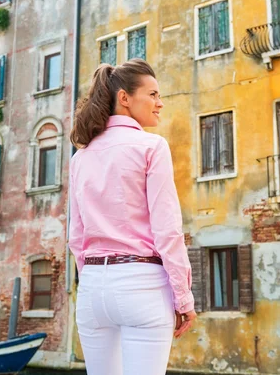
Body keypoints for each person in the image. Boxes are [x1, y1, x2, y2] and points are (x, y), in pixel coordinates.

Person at [68, 59, 196, 375]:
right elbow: (167, 231)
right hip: (142, 286)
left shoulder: (80, 158)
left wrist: (95, 284)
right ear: (124, 98)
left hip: (93, 289)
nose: (160, 103)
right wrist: (183, 298)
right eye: (152, 94)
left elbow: (76, 237)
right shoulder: (152, 146)